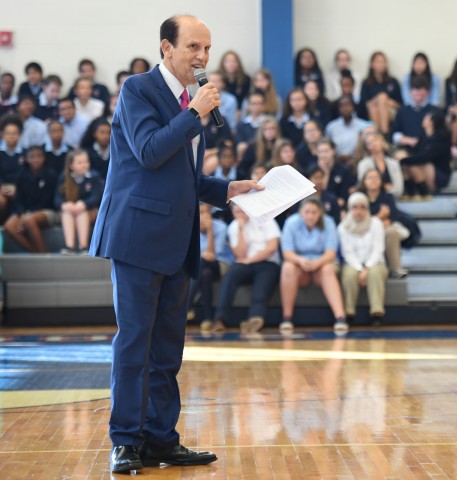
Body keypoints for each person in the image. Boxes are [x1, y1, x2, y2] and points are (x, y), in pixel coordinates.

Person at [88, 15, 263, 474]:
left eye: (207, 48)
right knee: (135, 345)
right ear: (166, 48)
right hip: (137, 237)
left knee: (168, 348)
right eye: (193, 47)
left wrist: (227, 190)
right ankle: (125, 441)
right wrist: (194, 114)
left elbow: (180, 176)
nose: (203, 57)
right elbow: (148, 151)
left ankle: (161, 440)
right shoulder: (138, 90)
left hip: (176, 239)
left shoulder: (191, 102)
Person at [279, 196, 346, 334]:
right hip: (299, 267)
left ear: (320, 212)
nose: (310, 216)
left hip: (320, 266)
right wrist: (300, 261)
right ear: (301, 212)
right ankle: (287, 318)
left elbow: (330, 253)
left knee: (328, 268)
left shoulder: (329, 222)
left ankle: (340, 317)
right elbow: (287, 253)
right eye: (307, 212)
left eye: (314, 212)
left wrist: (317, 262)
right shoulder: (291, 223)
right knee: (287, 267)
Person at [213, 203, 281, 333]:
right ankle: (220, 319)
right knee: (230, 275)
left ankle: (255, 318)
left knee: (263, 281)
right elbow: (240, 254)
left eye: (242, 211)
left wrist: (250, 260)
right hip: (245, 263)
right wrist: (241, 229)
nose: (240, 214)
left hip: (267, 263)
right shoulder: (233, 227)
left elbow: (272, 248)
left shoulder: (266, 220)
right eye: (236, 212)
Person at [338, 192, 388, 325]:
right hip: (353, 264)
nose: (359, 211)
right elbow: (348, 253)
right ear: (349, 208)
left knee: (375, 273)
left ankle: (377, 314)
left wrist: (367, 268)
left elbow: (378, 250)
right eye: (355, 207)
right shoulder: (343, 227)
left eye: (362, 207)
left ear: (367, 209)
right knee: (349, 274)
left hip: (375, 262)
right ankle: (349, 314)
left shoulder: (376, 223)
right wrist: (360, 270)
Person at [3, 146, 58, 253]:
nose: (35, 159)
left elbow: (49, 201)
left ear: (44, 158)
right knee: (9, 226)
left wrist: (28, 214)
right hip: (24, 211)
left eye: (39, 156)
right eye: (32, 157)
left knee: (28, 220)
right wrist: (22, 213)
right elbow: (17, 199)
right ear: (26, 159)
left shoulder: (51, 175)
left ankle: (43, 254)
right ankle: (34, 252)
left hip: (46, 211)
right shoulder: (21, 175)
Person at [357, 169, 409, 278]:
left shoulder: (387, 197)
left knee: (391, 231)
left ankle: (396, 269)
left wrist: (372, 220)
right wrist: (379, 217)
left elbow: (393, 217)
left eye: (376, 177)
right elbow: (358, 220)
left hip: (382, 231)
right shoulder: (359, 198)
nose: (373, 180)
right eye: (370, 177)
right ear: (364, 181)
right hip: (361, 232)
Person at [189, 203, 232, 331]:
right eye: (201, 213)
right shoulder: (191, 227)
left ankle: (187, 307)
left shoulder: (221, 227)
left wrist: (210, 231)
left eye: (207, 212)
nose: (205, 216)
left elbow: (213, 254)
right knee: (205, 273)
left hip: (221, 264)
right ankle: (207, 318)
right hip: (202, 265)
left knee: (202, 262)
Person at [55, 149, 103, 255]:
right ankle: (70, 246)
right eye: (80, 163)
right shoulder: (64, 177)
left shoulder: (94, 176)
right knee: (67, 212)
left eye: (86, 162)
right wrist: (64, 205)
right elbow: (57, 198)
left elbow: (96, 197)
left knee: (82, 213)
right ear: (71, 166)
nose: (84, 165)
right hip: (71, 210)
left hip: (90, 211)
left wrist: (84, 204)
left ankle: (83, 246)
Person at [399, 110, 452, 197]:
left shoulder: (441, 138)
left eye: (427, 118)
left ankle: (425, 191)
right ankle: (409, 191)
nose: (424, 119)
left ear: (432, 122)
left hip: (439, 172)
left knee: (416, 164)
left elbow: (426, 157)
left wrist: (403, 160)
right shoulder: (424, 135)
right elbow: (415, 151)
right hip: (426, 168)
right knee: (407, 162)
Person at [391, 76, 439, 156]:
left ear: (428, 93)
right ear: (410, 92)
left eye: (421, 91)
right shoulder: (402, 111)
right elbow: (395, 135)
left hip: (429, 150)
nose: (418, 93)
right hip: (407, 149)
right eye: (415, 90)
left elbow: (439, 135)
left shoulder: (435, 111)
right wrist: (409, 141)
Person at [359, 51, 403, 135]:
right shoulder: (366, 83)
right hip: (372, 111)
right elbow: (364, 104)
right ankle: (383, 135)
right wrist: (379, 100)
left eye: (383, 62)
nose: (380, 64)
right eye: (377, 62)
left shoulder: (393, 81)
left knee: (382, 97)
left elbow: (400, 105)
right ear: (371, 64)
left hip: (391, 111)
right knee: (374, 108)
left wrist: (386, 101)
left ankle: (382, 134)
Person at [356, 132, 404, 198]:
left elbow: (399, 190)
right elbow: (363, 187)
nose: (374, 144)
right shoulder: (364, 164)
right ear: (366, 147)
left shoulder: (394, 163)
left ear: (381, 141)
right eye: (370, 143)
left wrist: (378, 187)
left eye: (375, 140)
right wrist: (386, 187)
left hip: (392, 200)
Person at [325, 95, 366, 162]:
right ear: (339, 109)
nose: (345, 108)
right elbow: (328, 146)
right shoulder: (331, 127)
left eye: (348, 105)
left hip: (358, 161)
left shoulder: (362, 125)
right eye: (342, 106)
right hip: (336, 162)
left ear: (353, 107)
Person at [315, 138, 354, 207]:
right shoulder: (312, 170)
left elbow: (343, 198)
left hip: (338, 206)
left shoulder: (343, 170)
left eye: (326, 151)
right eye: (320, 152)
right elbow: (319, 193)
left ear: (333, 151)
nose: (323, 155)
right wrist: (326, 173)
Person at [235, 91, 270, 163]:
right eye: (254, 104)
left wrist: (247, 145)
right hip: (247, 160)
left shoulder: (269, 123)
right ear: (248, 106)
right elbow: (240, 146)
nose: (257, 106)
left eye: (259, 103)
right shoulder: (242, 125)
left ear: (264, 105)